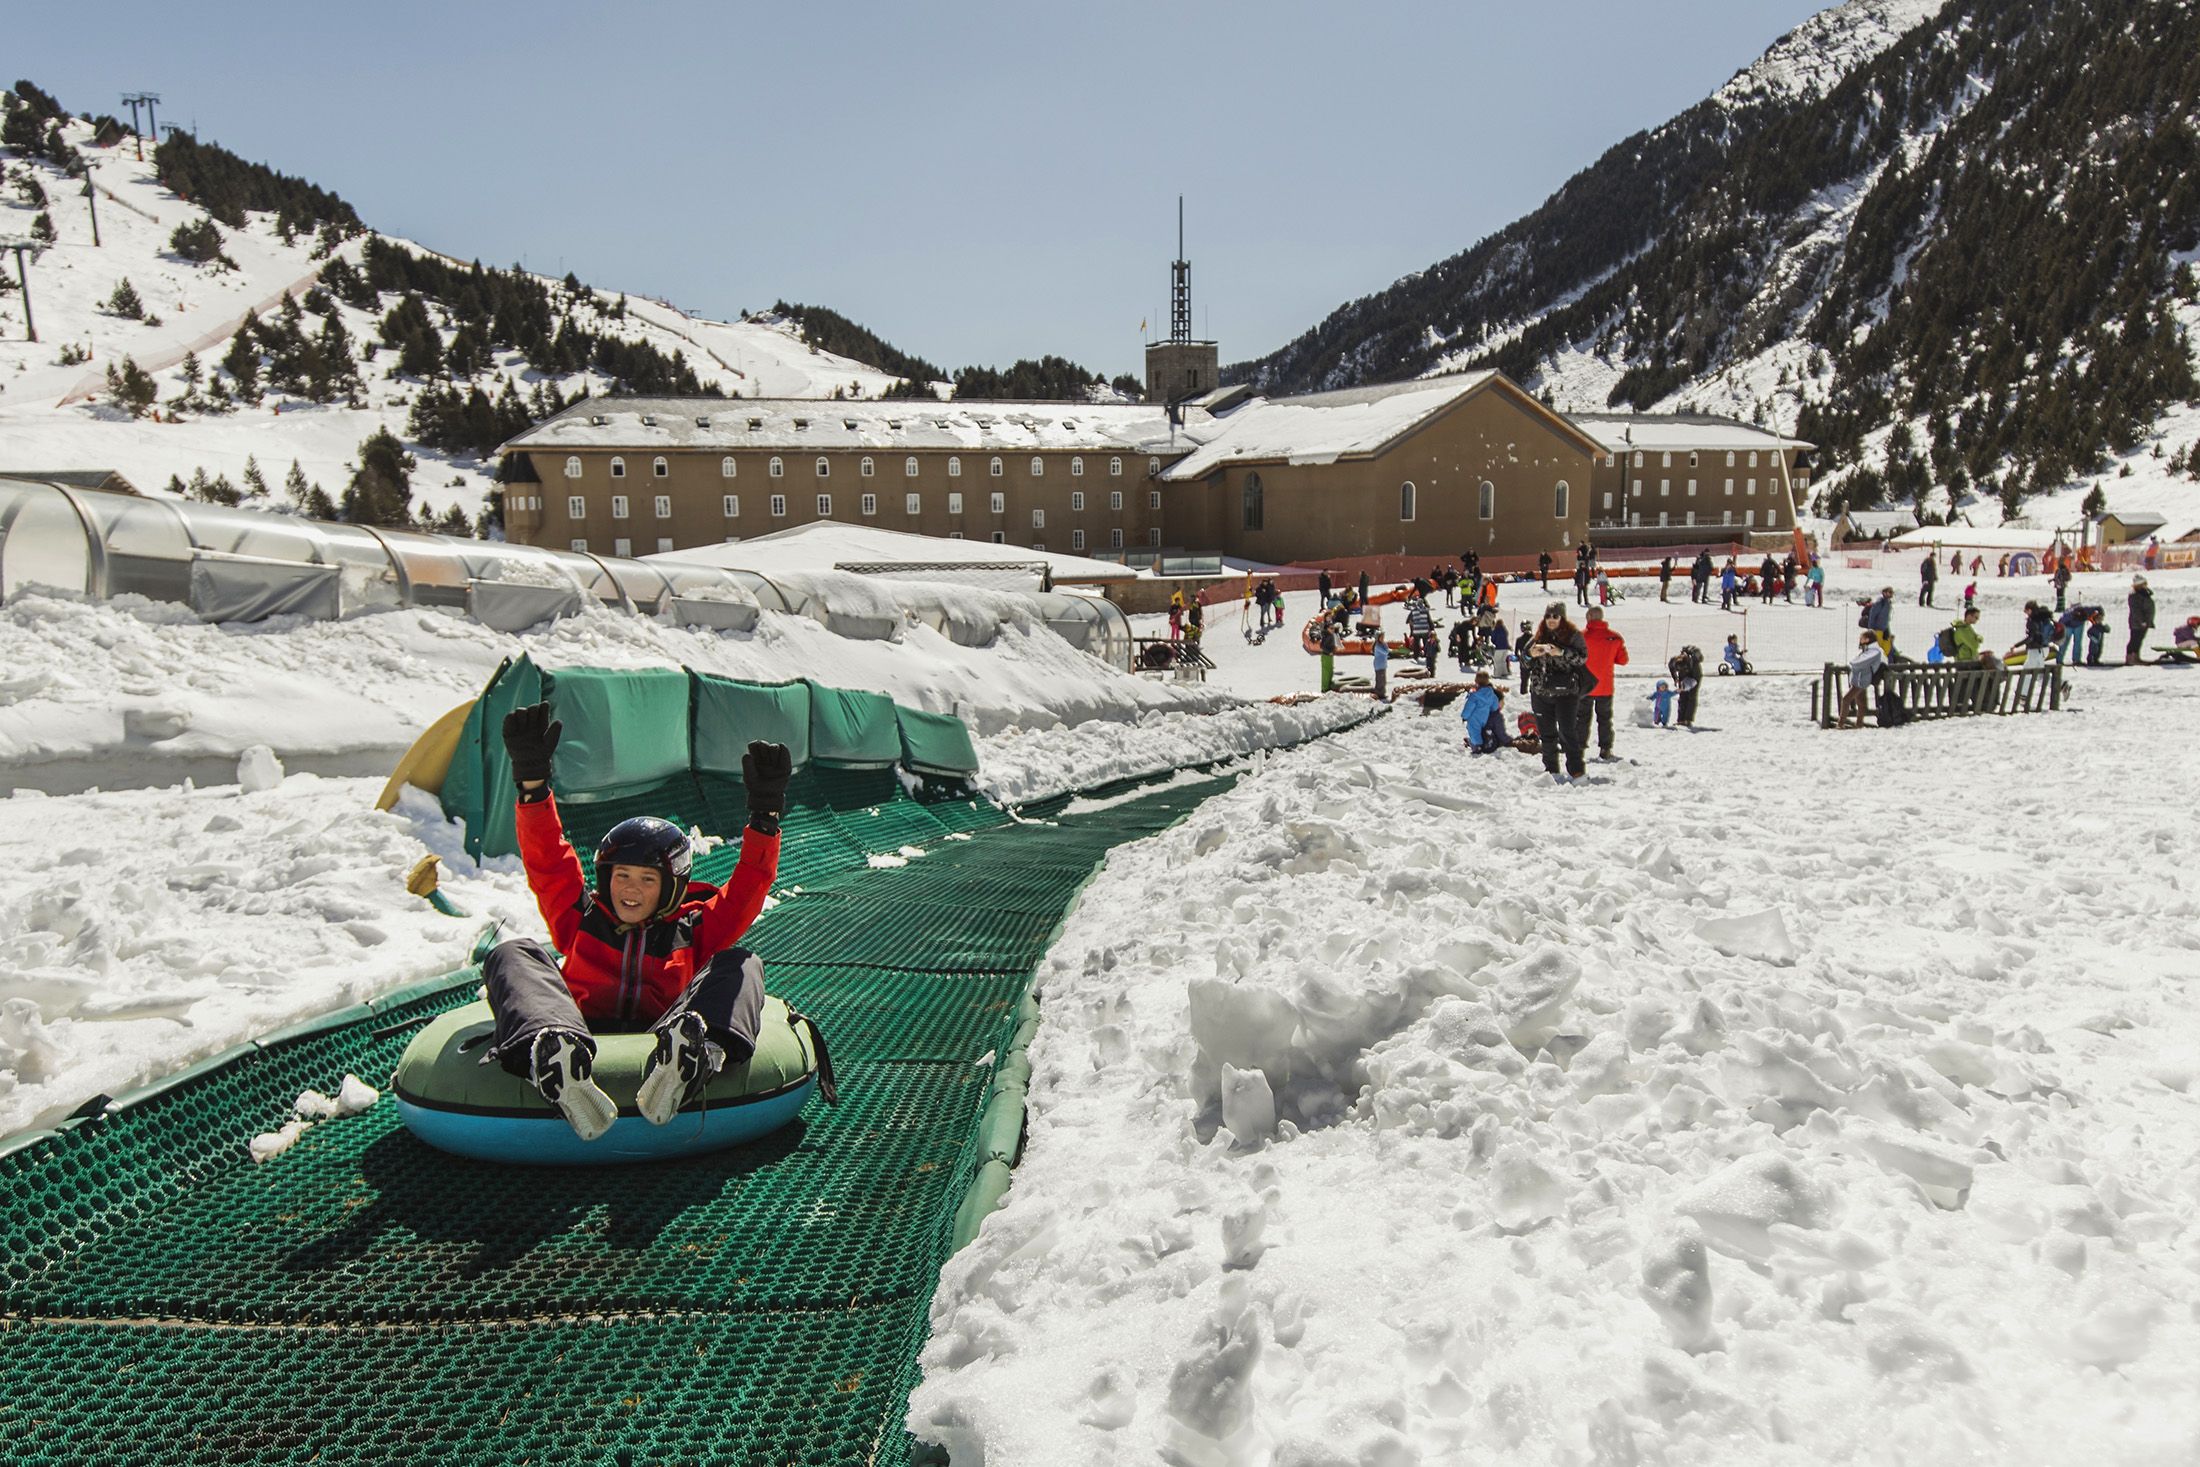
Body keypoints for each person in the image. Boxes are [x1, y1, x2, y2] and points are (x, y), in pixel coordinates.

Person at [487, 703, 791, 1140]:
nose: (630, 889)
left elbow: (749, 887)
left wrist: (764, 820)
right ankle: (553, 1058)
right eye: (621, 875)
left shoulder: (693, 929)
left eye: (648, 879)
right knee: (515, 952)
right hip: (579, 1028)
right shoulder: (582, 916)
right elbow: (548, 859)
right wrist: (533, 787)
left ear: (671, 887)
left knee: (741, 962)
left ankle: (694, 1056)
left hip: (664, 1033)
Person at [1525, 602, 1590, 781]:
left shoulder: (1573, 636)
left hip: (1566, 693)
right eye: (1548, 616)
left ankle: (1576, 770)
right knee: (1546, 734)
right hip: (1541, 692)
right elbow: (1524, 660)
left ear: (1562, 618)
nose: (1551, 620)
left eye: (1555, 616)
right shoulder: (1538, 636)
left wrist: (1561, 652)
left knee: (1568, 732)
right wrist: (1531, 654)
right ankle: (1551, 769)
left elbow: (1582, 658)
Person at [1579, 606, 1628, 761]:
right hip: (1605, 686)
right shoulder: (1615, 637)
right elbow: (1623, 660)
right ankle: (1605, 748)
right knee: (1605, 719)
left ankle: (1579, 747)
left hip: (1585, 686)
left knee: (1582, 718)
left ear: (1589, 617)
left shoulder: (1580, 637)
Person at [1838, 631, 1886, 729]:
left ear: (1867, 639)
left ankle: (1841, 723)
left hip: (1862, 680)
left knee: (1846, 699)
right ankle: (1859, 723)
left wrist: (1852, 663)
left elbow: (1859, 663)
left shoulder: (1874, 651)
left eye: (1862, 637)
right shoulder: (1869, 650)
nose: (1860, 639)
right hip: (1860, 678)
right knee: (1861, 702)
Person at [1460, 671, 1510, 753]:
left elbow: (1469, 707)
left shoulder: (1474, 695)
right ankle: (1479, 742)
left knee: (1474, 731)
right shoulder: (1491, 694)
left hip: (1474, 718)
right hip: (1485, 717)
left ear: (1476, 681)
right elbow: (1495, 706)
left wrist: (1464, 716)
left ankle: (1477, 746)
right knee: (1481, 730)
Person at [1666, 644, 1704, 728]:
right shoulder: (1674, 661)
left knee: (1691, 696)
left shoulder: (1694, 665)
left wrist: (1685, 687)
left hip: (1694, 677)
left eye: (1681, 669)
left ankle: (1688, 720)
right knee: (1682, 696)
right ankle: (1680, 720)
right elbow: (1671, 667)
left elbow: (1694, 681)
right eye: (1678, 669)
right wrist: (1675, 678)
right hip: (1684, 676)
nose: (1679, 670)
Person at [2126, 575, 2156, 664]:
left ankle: (2136, 657)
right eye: (2144, 584)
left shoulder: (2145, 594)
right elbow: (2136, 611)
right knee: (2135, 640)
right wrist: (2141, 621)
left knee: (2139, 640)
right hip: (2137, 623)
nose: (2146, 585)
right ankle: (2131, 658)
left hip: (2144, 622)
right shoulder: (2134, 596)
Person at [1860, 586, 1895, 656]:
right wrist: (1871, 629)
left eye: (1892, 592)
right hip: (1877, 630)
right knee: (1878, 648)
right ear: (1884, 593)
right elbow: (1872, 616)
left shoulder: (1888, 602)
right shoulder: (1879, 603)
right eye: (1890, 592)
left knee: (1887, 647)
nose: (1891, 594)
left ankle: (1885, 660)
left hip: (1884, 629)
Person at [1371, 634, 1390, 702]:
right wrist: (1385, 645)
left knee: (1383, 680)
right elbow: (1386, 652)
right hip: (1379, 665)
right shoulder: (1378, 646)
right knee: (1380, 680)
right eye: (1381, 637)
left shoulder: (1382, 644)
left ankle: (1382, 693)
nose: (1382, 638)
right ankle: (1379, 694)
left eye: (1383, 637)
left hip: (1382, 665)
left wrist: (1385, 645)